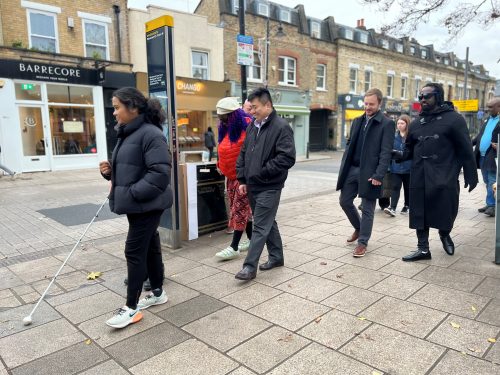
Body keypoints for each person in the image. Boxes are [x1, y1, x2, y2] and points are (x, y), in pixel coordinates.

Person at [99, 87, 173, 328]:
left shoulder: (150, 134)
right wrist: (111, 172)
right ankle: (158, 292)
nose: (114, 113)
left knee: (134, 250)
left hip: (147, 204)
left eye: (117, 107)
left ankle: (131, 308)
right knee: (150, 246)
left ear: (133, 107)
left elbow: (159, 174)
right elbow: (134, 168)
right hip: (139, 204)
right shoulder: (129, 133)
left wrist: (131, 193)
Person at [394, 83, 478, 261]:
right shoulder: (416, 123)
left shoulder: (455, 119)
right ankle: (423, 249)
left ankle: (444, 233)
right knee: (419, 211)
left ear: (438, 97)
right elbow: (409, 150)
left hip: (444, 174)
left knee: (446, 209)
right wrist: (398, 155)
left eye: (427, 96)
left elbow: (465, 149)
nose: (423, 99)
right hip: (419, 174)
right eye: (420, 97)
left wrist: (471, 173)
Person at [234, 87, 296, 280]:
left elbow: (287, 158)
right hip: (253, 185)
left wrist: (261, 172)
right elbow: (244, 153)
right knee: (269, 222)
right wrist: (243, 178)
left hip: (269, 185)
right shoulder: (253, 125)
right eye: (250, 108)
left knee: (260, 225)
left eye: (255, 107)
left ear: (268, 105)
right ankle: (277, 257)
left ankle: (249, 267)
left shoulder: (281, 126)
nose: (251, 111)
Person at [336, 88, 394, 258]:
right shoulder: (356, 121)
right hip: (352, 169)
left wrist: (379, 175)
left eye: (372, 104)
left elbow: (386, 152)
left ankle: (362, 243)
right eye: (366, 103)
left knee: (368, 208)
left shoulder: (387, 123)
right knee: (344, 201)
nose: (368, 107)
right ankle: (359, 227)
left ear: (380, 103)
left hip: (370, 172)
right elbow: (350, 144)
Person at [214, 97, 253, 260]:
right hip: (231, 176)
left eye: (224, 116)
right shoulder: (226, 128)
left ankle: (234, 246)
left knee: (239, 210)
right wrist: (220, 163)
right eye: (220, 117)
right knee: (244, 212)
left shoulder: (247, 127)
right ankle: (252, 240)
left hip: (244, 178)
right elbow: (223, 149)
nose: (221, 119)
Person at [473, 97, 500, 217]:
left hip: (493, 156)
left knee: (492, 181)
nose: (488, 109)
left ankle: (492, 205)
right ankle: (490, 203)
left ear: (499, 107)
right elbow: (480, 136)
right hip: (482, 156)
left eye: (490, 107)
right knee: (486, 181)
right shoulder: (488, 119)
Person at [384, 115, 411, 216]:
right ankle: (393, 208)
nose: (399, 125)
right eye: (398, 123)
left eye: (402, 123)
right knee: (395, 187)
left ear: (407, 124)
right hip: (396, 168)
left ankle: (407, 206)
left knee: (407, 188)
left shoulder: (411, 137)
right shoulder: (394, 137)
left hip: (409, 168)